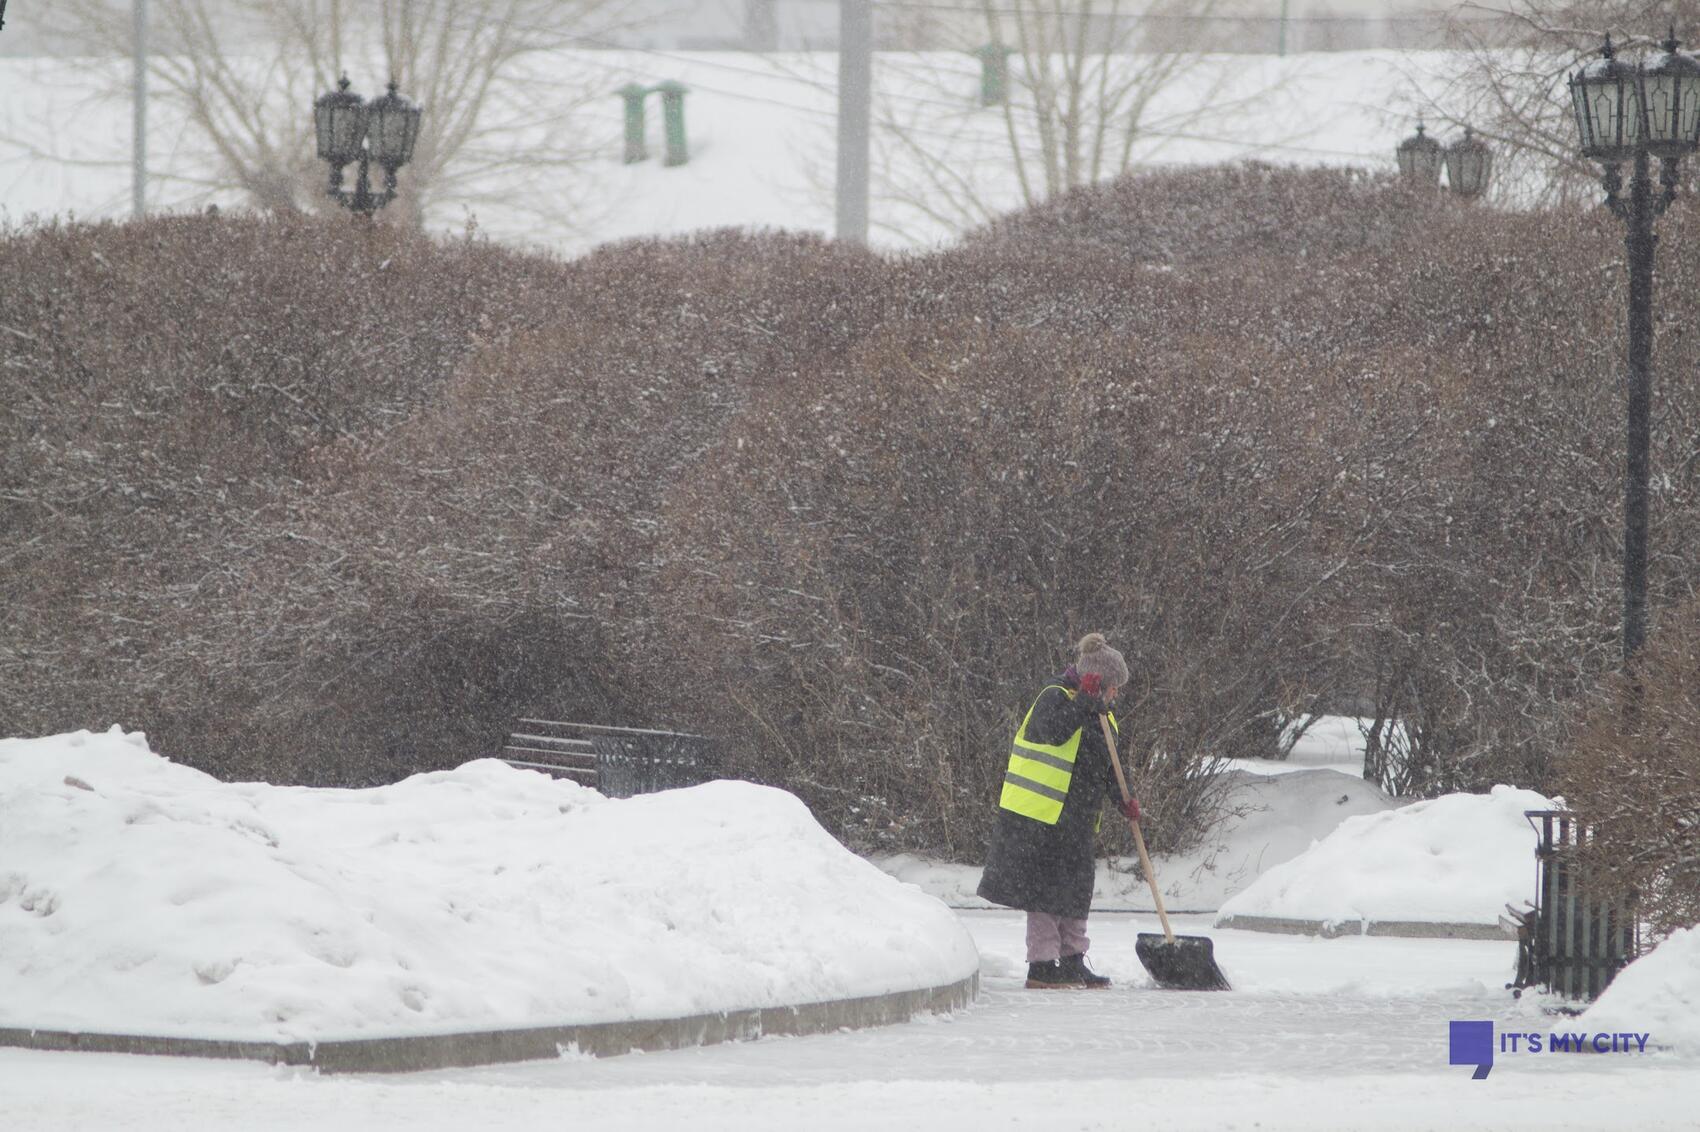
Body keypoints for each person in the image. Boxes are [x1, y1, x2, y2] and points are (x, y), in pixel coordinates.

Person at [976, 632, 1141, 989]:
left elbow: (1109, 764)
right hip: (1042, 817)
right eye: (1113, 688)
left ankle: (1071, 961)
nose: (1116, 695)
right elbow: (1053, 733)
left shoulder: (1101, 714)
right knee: (1046, 893)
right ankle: (1041, 965)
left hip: (1077, 820)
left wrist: (1123, 798)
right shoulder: (1054, 697)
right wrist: (1084, 701)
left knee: (1075, 891)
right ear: (1096, 682)